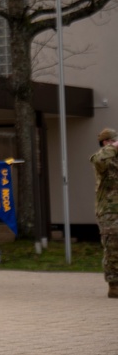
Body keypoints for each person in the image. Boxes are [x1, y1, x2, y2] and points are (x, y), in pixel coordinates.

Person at [91, 127, 118, 298]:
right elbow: (96, 159)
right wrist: (113, 148)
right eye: (112, 141)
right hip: (110, 212)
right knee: (113, 248)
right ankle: (114, 285)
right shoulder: (104, 159)